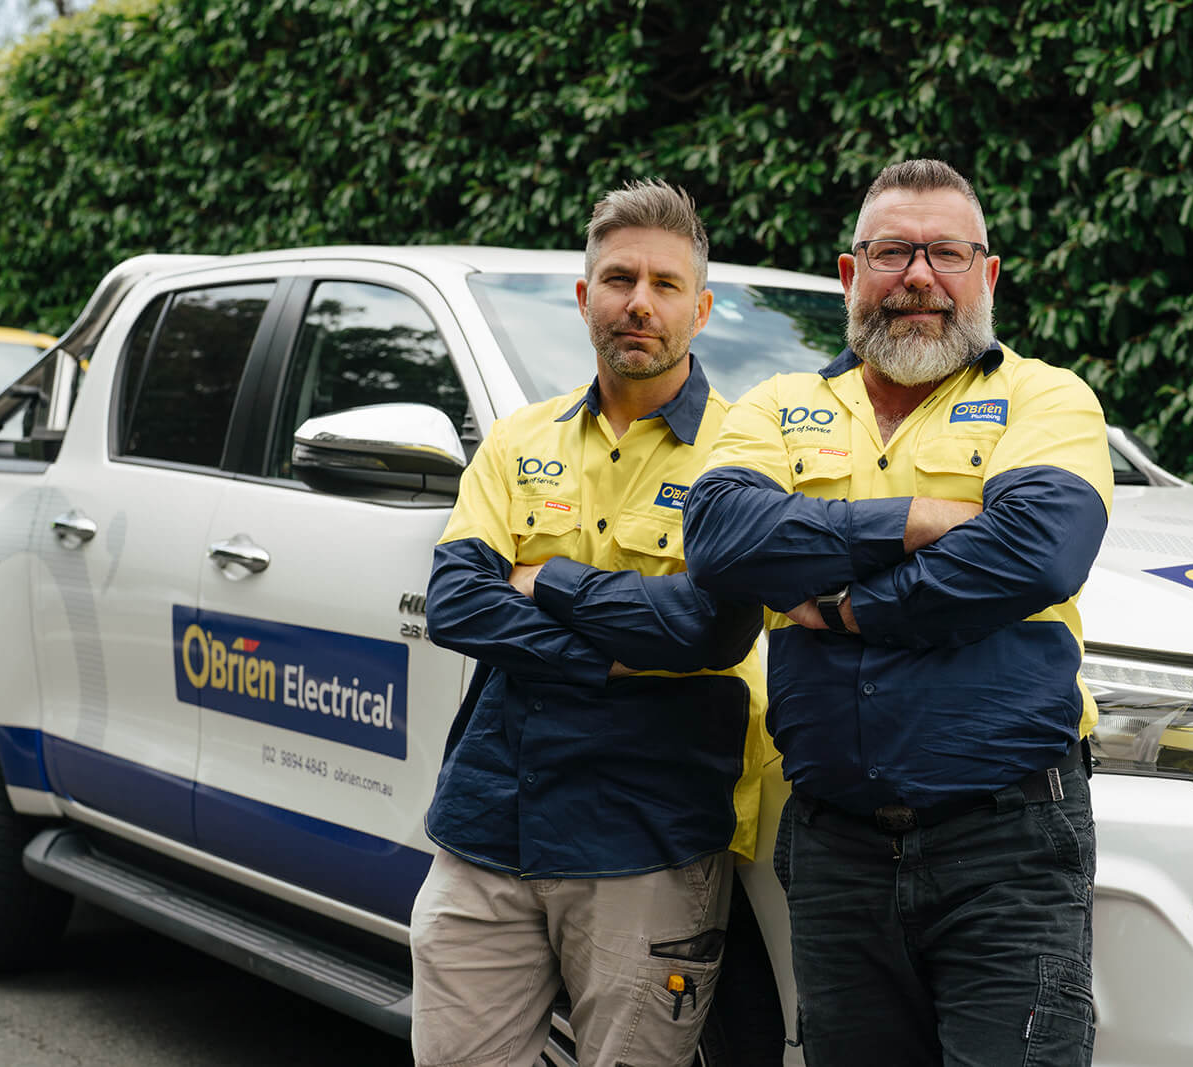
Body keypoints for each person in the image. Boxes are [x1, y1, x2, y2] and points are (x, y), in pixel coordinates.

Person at [682, 158, 1112, 1066]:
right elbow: (720, 536)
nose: (919, 277)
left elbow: (1036, 551)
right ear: (850, 275)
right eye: (891, 253)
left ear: (986, 275)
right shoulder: (779, 404)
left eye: (946, 253)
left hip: (1010, 850)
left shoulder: (1046, 396)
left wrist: (840, 608)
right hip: (835, 849)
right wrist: (917, 519)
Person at [410, 179, 767, 1067]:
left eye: (664, 283)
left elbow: (706, 631)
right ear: (584, 296)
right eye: (617, 279)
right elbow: (456, 600)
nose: (638, 302)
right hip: (489, 827)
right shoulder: (517, 440)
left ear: (701, 307)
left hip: (644, 839)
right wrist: (611, 662)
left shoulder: (745, 455)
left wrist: (547, 579)